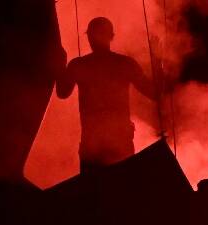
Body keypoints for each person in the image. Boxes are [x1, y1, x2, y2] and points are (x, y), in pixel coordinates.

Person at [56, 17, 156, 172]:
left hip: (93, 145)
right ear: (112, 36)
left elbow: (62, 93)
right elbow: (154, 93)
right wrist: (157, 63)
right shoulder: (124, 64)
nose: (92, 39)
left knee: (94, 193)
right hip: (118, 144)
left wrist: (59, 66)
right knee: (120, 191)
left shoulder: (79, 65)